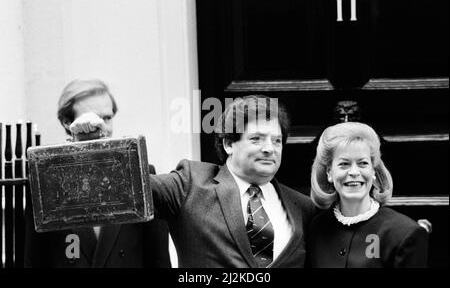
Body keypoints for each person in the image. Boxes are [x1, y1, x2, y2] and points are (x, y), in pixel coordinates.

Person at [68, 94, 316, 267]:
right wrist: (94, 148)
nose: (269, 148)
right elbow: (128, 187)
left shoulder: (302, 208)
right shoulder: (190, 184)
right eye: (257, 139)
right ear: (229, 143)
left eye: (277, 140)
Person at [24, 79, 171, 268]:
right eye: (90, 118)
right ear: (68, 123)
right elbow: (35, 260)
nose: (100, 125)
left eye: (107, 118)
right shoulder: (46, 180)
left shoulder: (137, 172)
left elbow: (158, 260)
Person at [307, 121, 428, 268]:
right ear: (329, 173)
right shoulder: (316, 228)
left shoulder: (404, 233)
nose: (354, 172)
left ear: (373, 171)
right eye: (344, 164)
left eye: (362, 163)